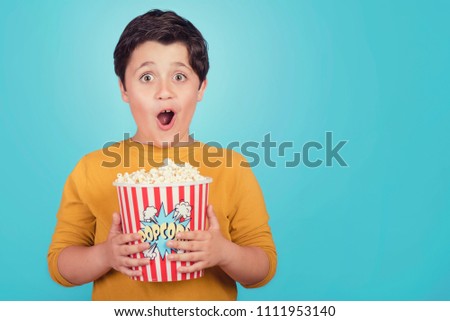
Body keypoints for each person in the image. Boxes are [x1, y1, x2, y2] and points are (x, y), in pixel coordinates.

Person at [47, 9, 277, 300]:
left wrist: (225, 253)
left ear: (201, 88)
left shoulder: (231, 168)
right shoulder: (91, 169)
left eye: (179, 76)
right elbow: (60, 265)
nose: (164, 92)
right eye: (146, 77)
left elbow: (263, 268)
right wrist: (104, 256)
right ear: (124, 89)